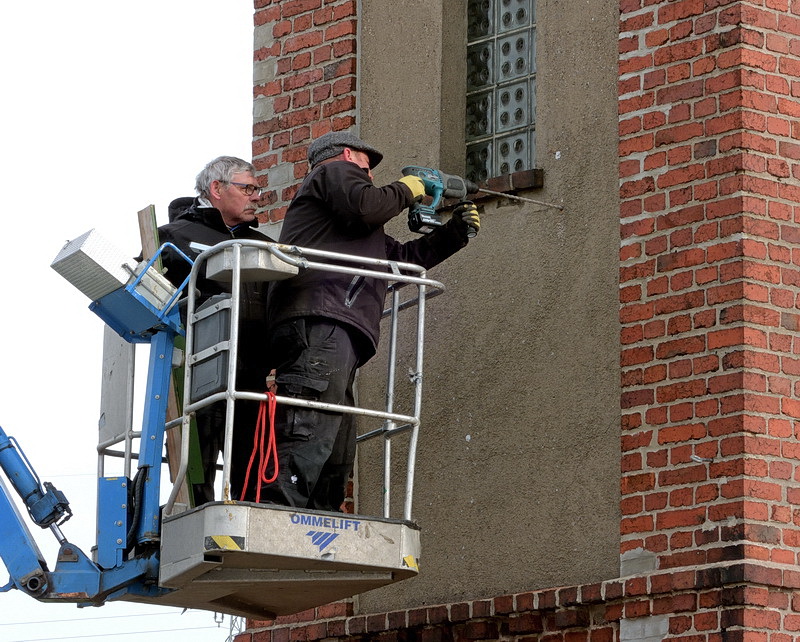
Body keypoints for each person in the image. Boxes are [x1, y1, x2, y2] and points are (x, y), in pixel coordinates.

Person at [264, 131, 481, 511]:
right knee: (311, 419)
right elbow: (368, 206)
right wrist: (407, 187)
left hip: (335, 324)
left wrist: (454, 234)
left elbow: (400, 262)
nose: (369, 177)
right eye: (367, 167)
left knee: (336, 435)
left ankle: (320, 515)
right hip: (321, 318)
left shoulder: (349, 224)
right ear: (349, 154)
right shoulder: (332, 173)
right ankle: (279, 507)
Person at [156, 156, 275, 505]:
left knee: (251, 464)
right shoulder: (175, 236)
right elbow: (146, 297)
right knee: (196, 462)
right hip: (195, 369)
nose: (256, 197)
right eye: (248, 188)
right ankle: (196, 517)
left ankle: (245, 521)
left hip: (251, 372)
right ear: (217, 189)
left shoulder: (262, 244)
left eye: (258, 190)